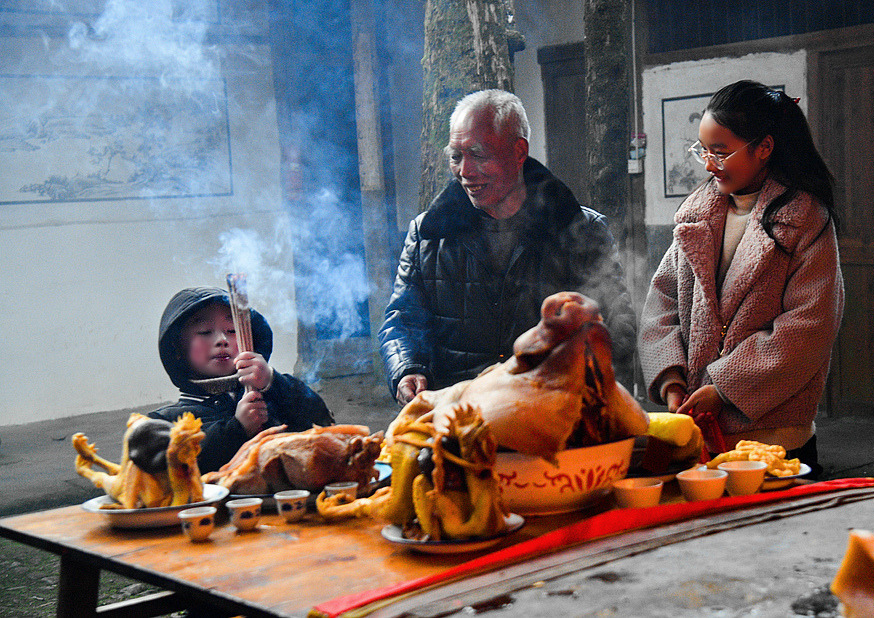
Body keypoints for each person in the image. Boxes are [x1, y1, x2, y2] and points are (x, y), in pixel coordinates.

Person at [638, 80, 844, 475]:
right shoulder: (697, 214)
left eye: (721, 152)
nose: (709, 164)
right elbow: (661, 303)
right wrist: (671, 380)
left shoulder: (806, 219)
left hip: (777, 441)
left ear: (764, 148)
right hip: (702, 438)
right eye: (703, 151)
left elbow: (808, 328)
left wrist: (724, 388)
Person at [379, 89, 636, 404]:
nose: (465, 171)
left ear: (518, 152)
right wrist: (408, 367)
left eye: (479, 154)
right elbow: (404, 318)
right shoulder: (428, 234)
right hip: (455, 414)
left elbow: (617, 326)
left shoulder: (581, 230)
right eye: (456, 156)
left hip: (550, 412)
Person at [149, 286, 335, 473]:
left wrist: (273, 382)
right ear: (176, 348)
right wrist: (237, 429)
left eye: (231, 330)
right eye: (205, 331)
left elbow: (324, 427)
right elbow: (171, 471)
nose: (222, 340)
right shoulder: (162, 422)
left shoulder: (275, 393)